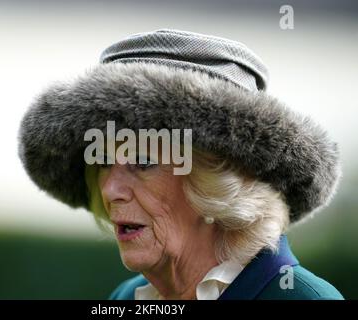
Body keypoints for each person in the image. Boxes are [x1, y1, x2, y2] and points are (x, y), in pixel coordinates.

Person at [18, 29, 343, 300]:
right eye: (103, 161)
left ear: (221, 181)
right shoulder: (126, 298)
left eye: (142, 161)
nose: (110, 188)